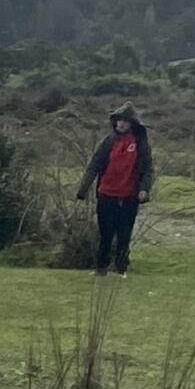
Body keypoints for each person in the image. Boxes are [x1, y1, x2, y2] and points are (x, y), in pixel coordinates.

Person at [75, 103, 154, 278]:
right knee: (106, 234)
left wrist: (144, 189)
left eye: (125, 121)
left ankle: (121, 269)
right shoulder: (108, 141)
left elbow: (148, 169)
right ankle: (101, 268)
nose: (121, 124)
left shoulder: (140, 144)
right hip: (106, 193)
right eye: (119, 120)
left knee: (124, 234)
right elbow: (94, 165)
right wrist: (83, 189)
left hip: (129, 196)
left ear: (132, 123)